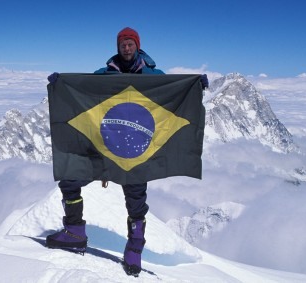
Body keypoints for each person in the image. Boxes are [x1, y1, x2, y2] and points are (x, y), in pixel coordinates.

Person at [47, 27, 208, 277]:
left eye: (131, 43)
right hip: (104, 150)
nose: (127, 47)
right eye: (123, 43)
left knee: (136, 204)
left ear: (137, 46)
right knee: (70, 178)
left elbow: (172, 93)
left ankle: (134, 251)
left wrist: (196, 86)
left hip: (137, 153)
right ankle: (74, 232)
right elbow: (86, 97)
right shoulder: (104, 75)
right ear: (118, 47)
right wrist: (62, 85)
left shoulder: (153, 76)